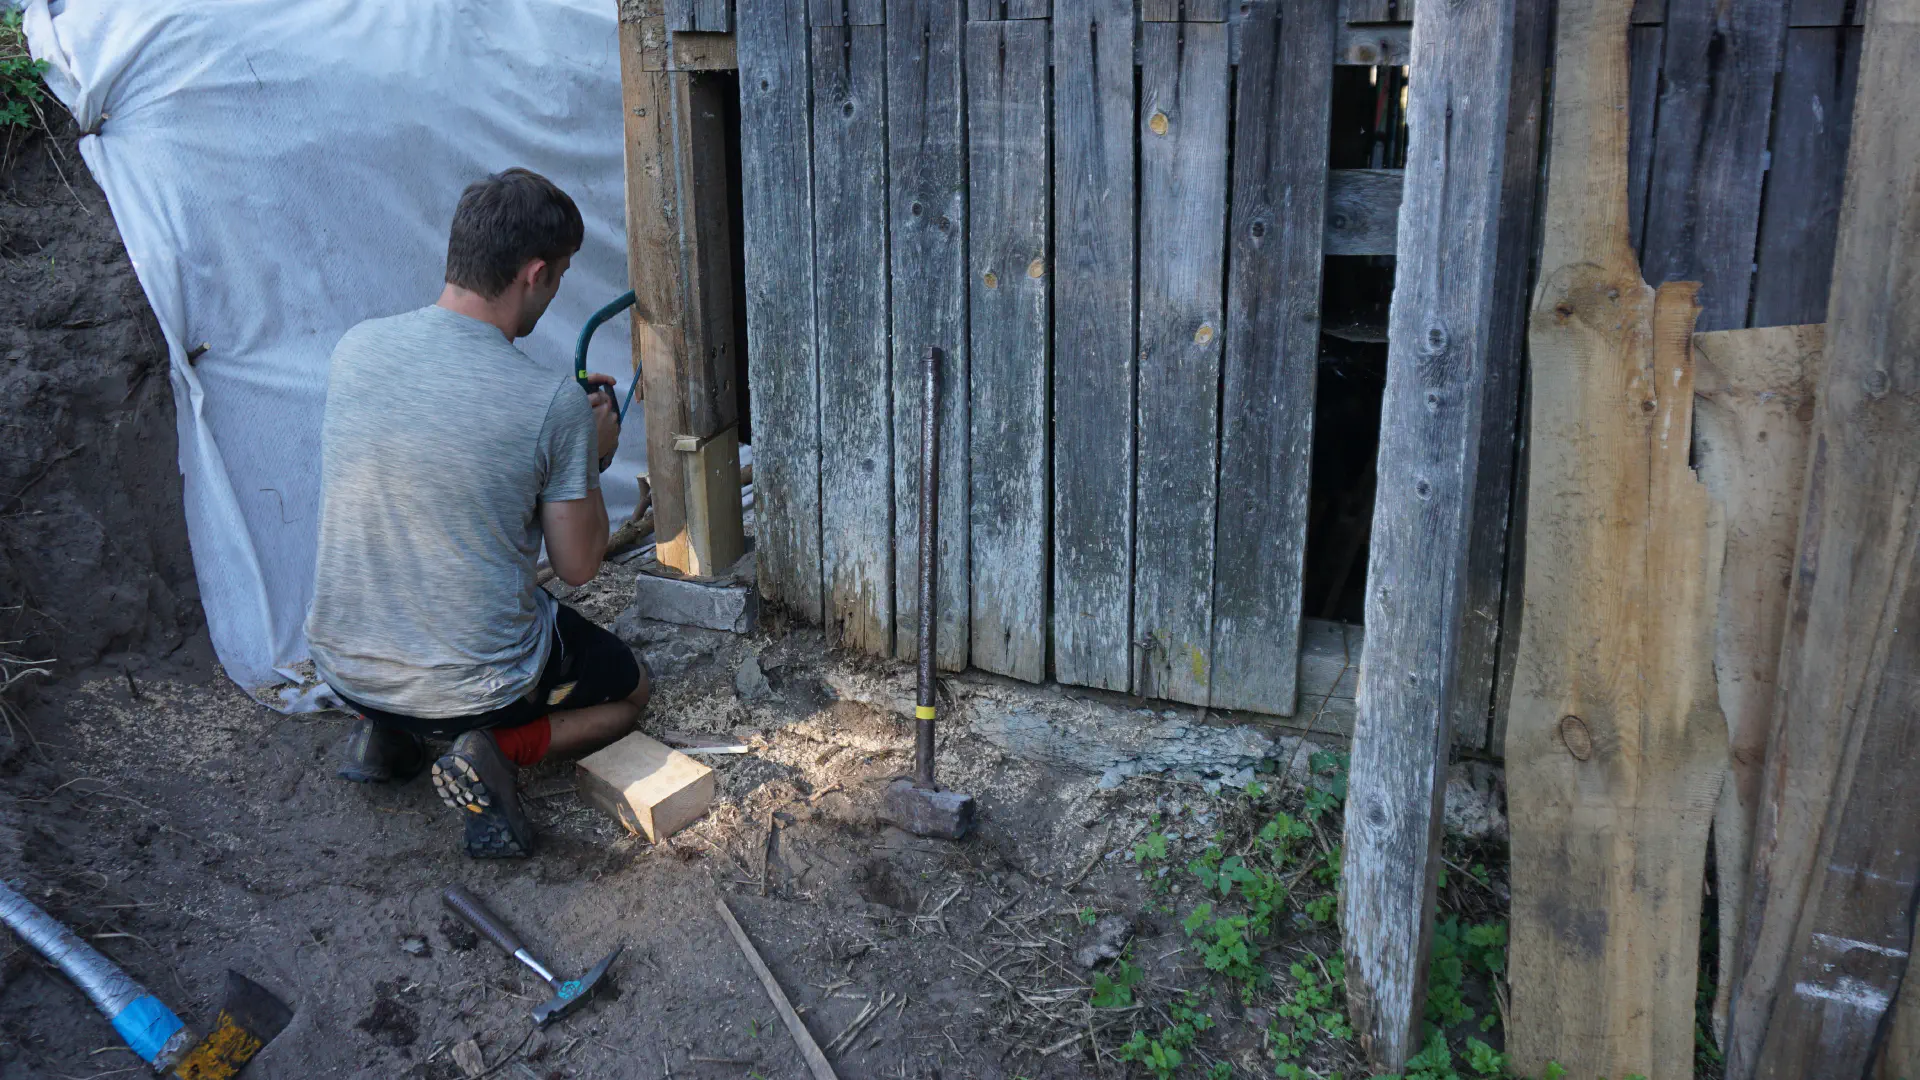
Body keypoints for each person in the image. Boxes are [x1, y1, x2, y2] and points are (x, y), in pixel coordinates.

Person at [305, 168, 647, 858]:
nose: (554, 296)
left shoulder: (355, 349)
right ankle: (495, 750)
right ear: (534, 272)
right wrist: (594, 452)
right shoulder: (550, 404)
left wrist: (562, 440)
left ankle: (386, 735)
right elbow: (578, 567)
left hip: (343, 670)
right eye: (559, 278)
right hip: (475, 689)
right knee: (631, 692)